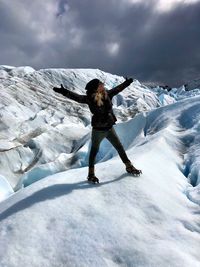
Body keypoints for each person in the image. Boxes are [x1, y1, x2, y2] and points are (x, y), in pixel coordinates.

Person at [53, 78, 142, 183]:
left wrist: (127, 82)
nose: (103, 85)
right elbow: (77, 97)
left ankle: (129, 167)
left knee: (119, 147)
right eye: (101, 84)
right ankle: (91, 175)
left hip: (109, 128)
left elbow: (118, 89)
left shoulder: (107, 94)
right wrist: (64, 92)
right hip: (98, 130)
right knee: (94, 152)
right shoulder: (90, 98)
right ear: (96, 87)